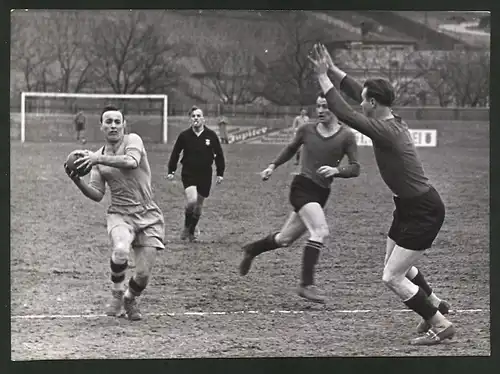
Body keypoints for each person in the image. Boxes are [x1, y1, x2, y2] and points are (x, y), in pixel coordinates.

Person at [308, 43, 454, 345]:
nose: (361, 103)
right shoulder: (390, 119)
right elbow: (360, 93)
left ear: (374, 103)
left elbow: (345, 113)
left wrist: (323, 78)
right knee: (399, 265)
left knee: (391, 277)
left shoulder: (385, 130)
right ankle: (435, 305)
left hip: (423, 209)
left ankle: (439, 324)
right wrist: (334, 70)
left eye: (365, 100)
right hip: (408, 206)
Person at [239, 92, 360, 303]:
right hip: (302, 187)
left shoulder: (347, 136)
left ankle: (252, 249)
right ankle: (306, 284)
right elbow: (290, 148)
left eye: (325, 107)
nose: (321, 111)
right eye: (318, 106)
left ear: (336, 109)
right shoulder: (306, 129)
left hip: (321, 193)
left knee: (284, 239)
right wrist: (272, 166)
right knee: (320, 231)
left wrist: (336, 171)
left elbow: (355, 168)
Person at [64, 105, 165, 321]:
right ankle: (118, 293)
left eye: (117, 121)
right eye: (108, 122)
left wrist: (97, 159)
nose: (113, 125)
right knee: (120, 250)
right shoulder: (97, 158)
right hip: (120, 213)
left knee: (143, 275)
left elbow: (131, 162)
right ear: (101, 126)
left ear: (124, 125)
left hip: (148, 213)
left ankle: (130, 298)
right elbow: (98, 194)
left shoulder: (133, 141)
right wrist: (76, 180)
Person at [167, 106, 225, 242]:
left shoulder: (211, 135)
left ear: (203, 119)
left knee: (198, 206)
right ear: (190, 119)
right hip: (189, 172)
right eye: (193, 116)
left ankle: (192, 230)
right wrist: (171, 170)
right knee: (191, 200)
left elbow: (219, 155)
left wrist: (220, 172)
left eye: (199, 116)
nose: (196, 118)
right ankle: (187, 227)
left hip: (205, 174)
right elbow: (176, 153)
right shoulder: (184, 136)